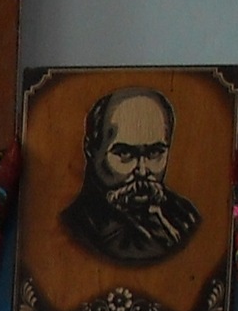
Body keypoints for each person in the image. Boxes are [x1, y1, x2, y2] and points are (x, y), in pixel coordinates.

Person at [60, 86, 202, 267]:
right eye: (125, 154)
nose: (142, 171)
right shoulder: (72, 230)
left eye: (154, 153)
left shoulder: (186, 218)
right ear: (91, 149)